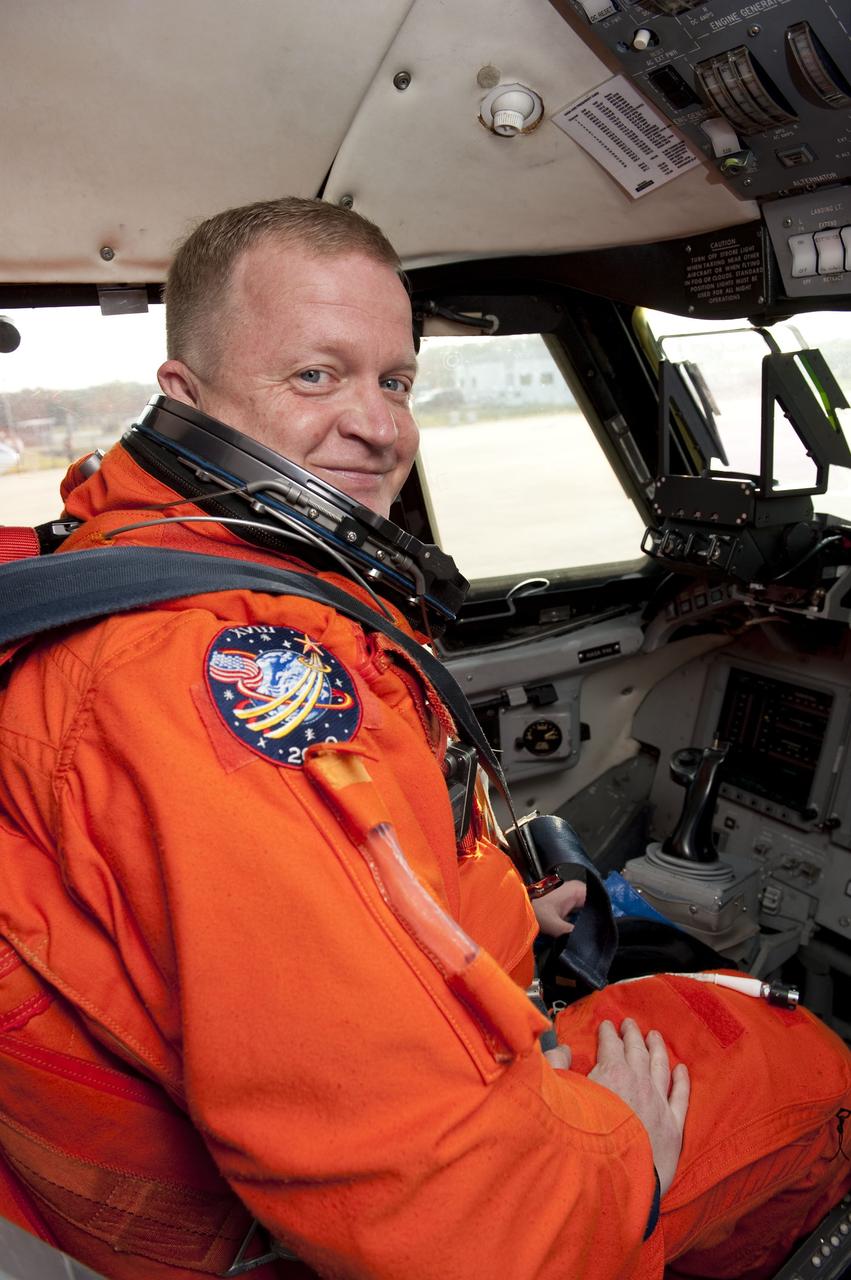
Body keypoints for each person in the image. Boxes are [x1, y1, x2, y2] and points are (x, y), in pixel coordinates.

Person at [0, 196, 847, 1280]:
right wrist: (629, 1163)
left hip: (196, 1165)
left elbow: (305, 909)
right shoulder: (210, 675)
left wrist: (487, 903)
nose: (379, 424)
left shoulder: (130, 548)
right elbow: (451, 1230)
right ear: (187, 392)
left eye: (392, 379)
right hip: (324, 1228)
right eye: (316, 374)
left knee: (655, 999)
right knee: (802, 1067)